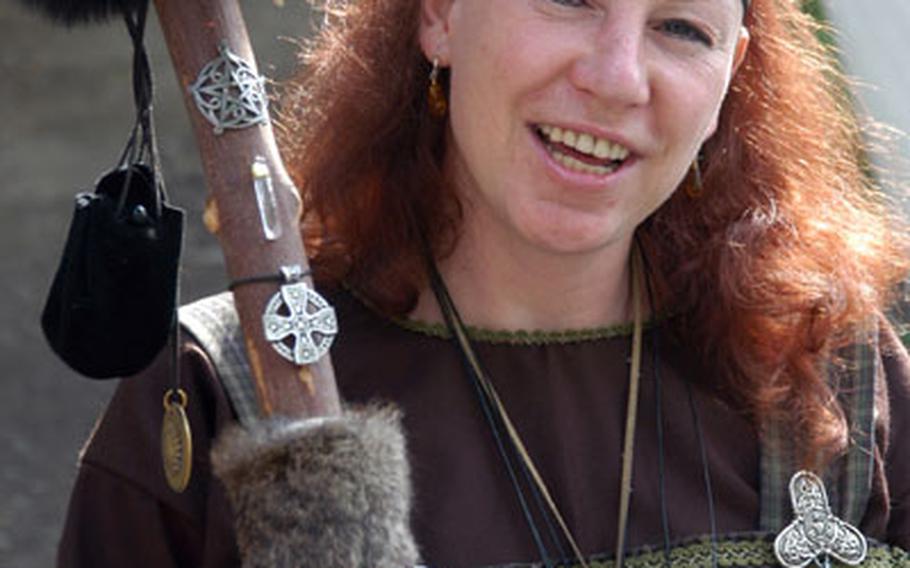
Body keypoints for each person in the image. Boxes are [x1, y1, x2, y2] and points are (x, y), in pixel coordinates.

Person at [58, 0, 910, 566]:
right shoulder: (217, 392)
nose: (617, 78)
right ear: (440, 16)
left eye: (682, 28)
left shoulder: (832, 373)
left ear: (730, 77)